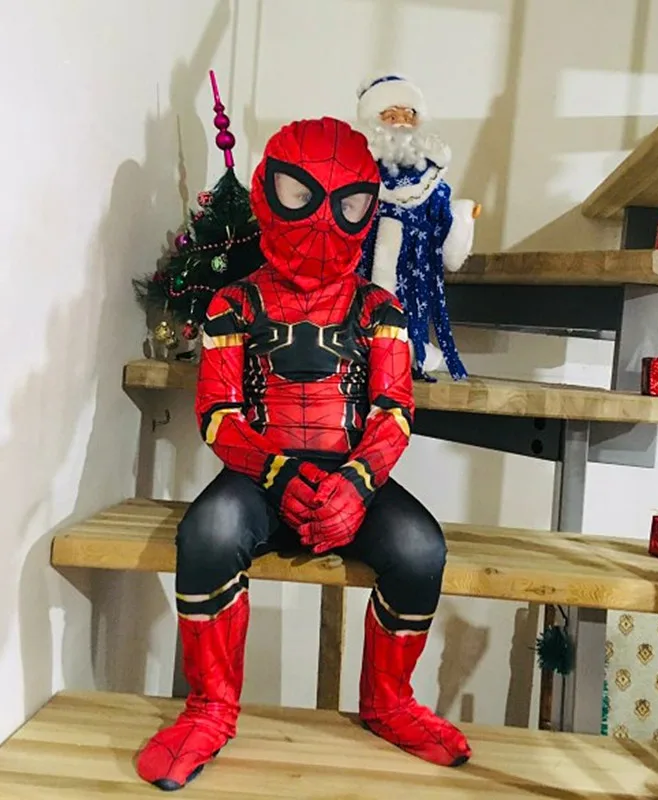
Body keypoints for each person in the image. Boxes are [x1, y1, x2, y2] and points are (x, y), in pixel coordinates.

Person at [135, 117, 471, 792]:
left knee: (419, 549)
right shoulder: (234, 304)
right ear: (269, 192)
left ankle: (389, 702)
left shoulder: (380, 309)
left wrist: (356, 482)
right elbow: (219, 413)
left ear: (367, 208)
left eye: (347, 204)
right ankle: (209, 707)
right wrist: (279, 472)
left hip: (350, 476)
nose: (321, 221)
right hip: (258, 477)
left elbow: (394, 410)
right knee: (207, 534)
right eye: (301, 196)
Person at [356, 72, 480, 381]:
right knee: (362, 304)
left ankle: (411, 351)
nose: (401, 123)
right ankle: (360, 350)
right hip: (366, 257)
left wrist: (461, 216)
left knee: (410, 306)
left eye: (408, 115)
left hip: (414, 261)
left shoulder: (431, 179)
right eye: (391, 116)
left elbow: (442, 218)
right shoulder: (357, 175)